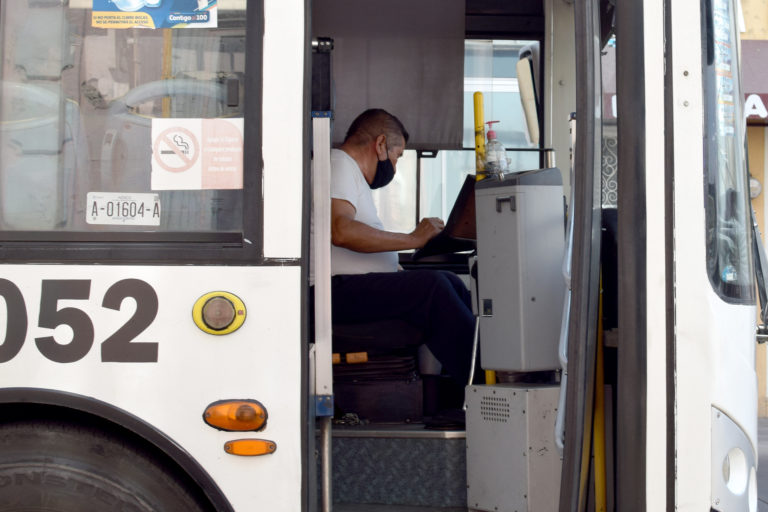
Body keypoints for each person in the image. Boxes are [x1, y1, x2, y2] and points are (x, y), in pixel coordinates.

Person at [327, 108, 475, 385]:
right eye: (397, 156)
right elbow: (341, 231)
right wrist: (413, 239)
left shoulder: (350, 175)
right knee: (433, 289)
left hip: (350, 286)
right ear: (380, 144)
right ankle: (482, 387)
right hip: (333, 292)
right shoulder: (339, 164)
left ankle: (482, 376)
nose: (394, 166)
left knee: (450, 281)